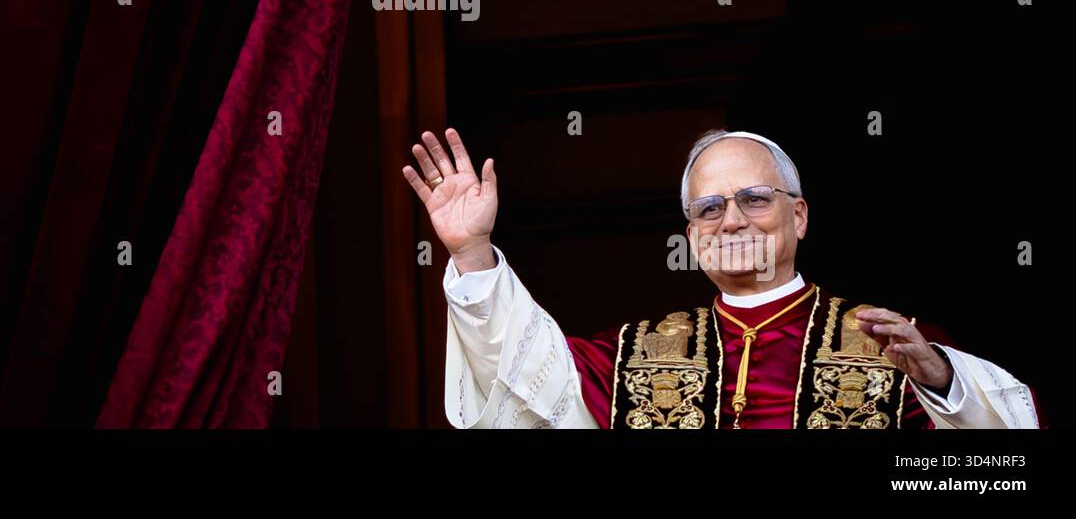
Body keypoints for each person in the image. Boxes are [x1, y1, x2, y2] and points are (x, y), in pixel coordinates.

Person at [402, 128, 1041, 429]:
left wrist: (943, 383)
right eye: (709, 208)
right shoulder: (633, 356)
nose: (731, 220)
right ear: (691, 234)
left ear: (799, 215)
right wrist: (473, 251)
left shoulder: (892, 345)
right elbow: (524, 378)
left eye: (754, 199)